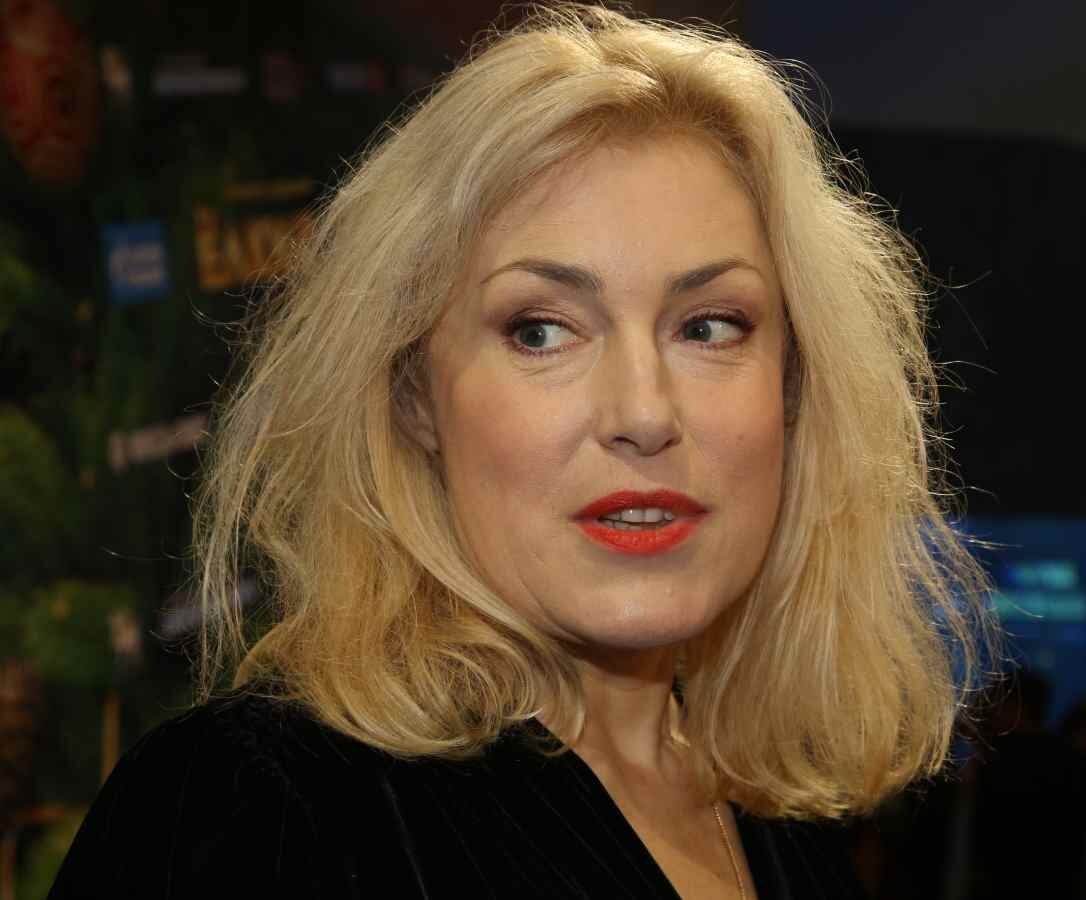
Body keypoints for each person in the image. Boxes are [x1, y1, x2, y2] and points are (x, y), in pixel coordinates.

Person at [49, 4, 993, 897]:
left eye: (709, 326)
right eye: (541, 330)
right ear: (413, 395)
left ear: (793, 388)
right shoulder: (258, 810)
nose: (643, 412)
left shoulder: (784, 826)